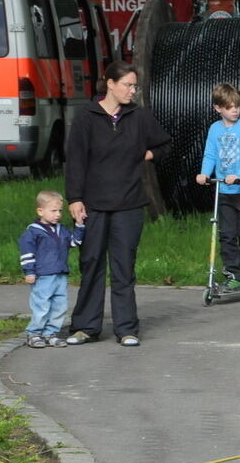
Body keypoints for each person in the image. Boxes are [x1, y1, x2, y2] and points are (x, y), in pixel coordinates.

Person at [64, 61, 171, 347]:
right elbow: (75, 160)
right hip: (93, 204)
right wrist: (75, 198)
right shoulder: (86, 116)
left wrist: (147, 154)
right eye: (127, 84)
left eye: (135, 86)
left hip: (129, 204)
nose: (132, 91)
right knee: (91, 264)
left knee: (124, 268)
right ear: (110, 84)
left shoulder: (139, 117)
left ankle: (126, 328)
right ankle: (86, 326)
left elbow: (165, 144)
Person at [196, 83, 240, 290]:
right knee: (226, 234)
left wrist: (239, 175)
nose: (235, 110)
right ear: (218, 108)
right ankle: (233, 273)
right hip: (223, 191)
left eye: (237, 106)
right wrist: (205, 173)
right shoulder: (215, 129)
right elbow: (211, 153)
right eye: (230, 107)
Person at [18, 190, 85, 348]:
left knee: (60, 305)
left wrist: (79, 226)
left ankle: (50, 333)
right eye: (53, 211)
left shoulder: (61, 230)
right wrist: (29, 271)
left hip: (60, 275)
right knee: (41, 306)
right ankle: (34, 333)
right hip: (42, 276)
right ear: (40, 211)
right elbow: (27, 253)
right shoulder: (32, 232)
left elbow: (74, 243)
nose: (58, 214)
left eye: (60, 211)